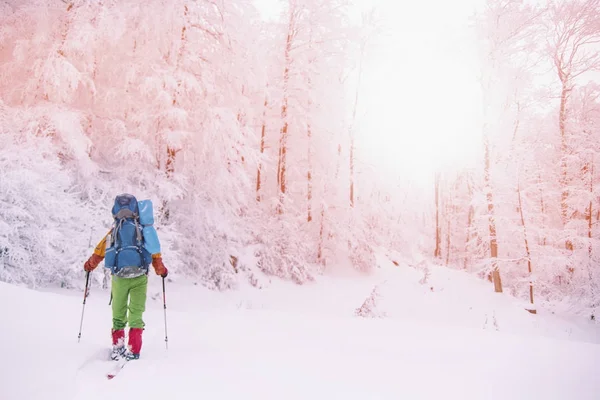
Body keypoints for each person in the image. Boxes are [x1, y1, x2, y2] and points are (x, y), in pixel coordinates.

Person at [83, 194, 168, 361]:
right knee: (136, 313)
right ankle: (133, 350)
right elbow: (155, 253)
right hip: (139, 277)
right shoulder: (144, 231)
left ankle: (118, 347)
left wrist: (89, 265)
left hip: (119, 277)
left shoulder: (115, 230)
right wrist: (161, 270)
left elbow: (101, 250)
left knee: (118, 313)